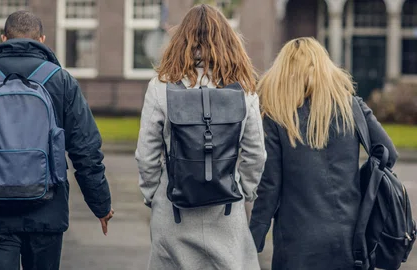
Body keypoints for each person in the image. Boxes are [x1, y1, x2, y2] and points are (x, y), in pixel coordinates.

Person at [0, 11, 114, 270]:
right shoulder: (61, 81)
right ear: (42, 39)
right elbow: (85, 149)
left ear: (3, 38)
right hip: (47, 211)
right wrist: (101, 204)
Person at [136, 4, 266, 270]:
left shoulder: (160, 86)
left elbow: (146, 154)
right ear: (228, 41)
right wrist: (245, 191)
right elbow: (255, 154)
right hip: (226, 208)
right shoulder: (244, 89)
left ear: (180, 39)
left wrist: (153, 195)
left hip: (173, 210)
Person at [249, 37, 398, 270]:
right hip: (352, 240)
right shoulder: (352, 106)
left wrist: (253, 241)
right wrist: (356, 186)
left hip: (298, 246)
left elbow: (269, 187)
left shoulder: (278, 118)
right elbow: (388, 153)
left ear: (283, 72)